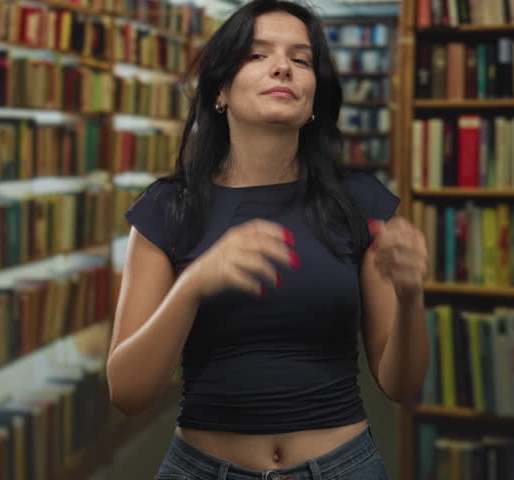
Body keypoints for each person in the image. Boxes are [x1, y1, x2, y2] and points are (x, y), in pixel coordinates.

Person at [106, 1, 430, 479]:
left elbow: (401, 385)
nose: (283, 66)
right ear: (220, 90)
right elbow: (127, 394)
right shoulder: (168, 207)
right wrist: (193, 285)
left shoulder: (359, 202)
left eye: (301, 60)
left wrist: (410, 296)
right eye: (257, 55)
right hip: (201, 468)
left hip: (343, 467)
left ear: (315, 98)